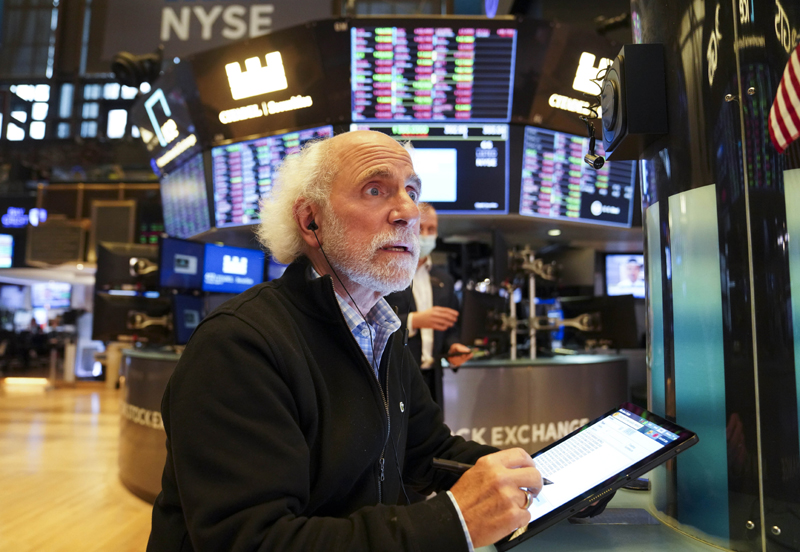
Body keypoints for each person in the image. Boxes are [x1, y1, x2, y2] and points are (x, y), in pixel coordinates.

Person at [147, 130, 543, 552]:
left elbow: (426, 449)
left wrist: (530, 481)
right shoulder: (238, 346)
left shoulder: (382, 328)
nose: (409, 211)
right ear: (310, 221)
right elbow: (254, 541)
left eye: (411, 190)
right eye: (376, 189)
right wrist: (453, 521)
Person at [386, 203, 472, 405]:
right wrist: (414, 321)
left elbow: (450, 329)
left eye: (431, 229)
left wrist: (454, 347)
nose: (425, 234)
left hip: (433, 379)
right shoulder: (388, 272)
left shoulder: (445, 280)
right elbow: (371, 323)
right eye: (420, 227)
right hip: (396, 378)